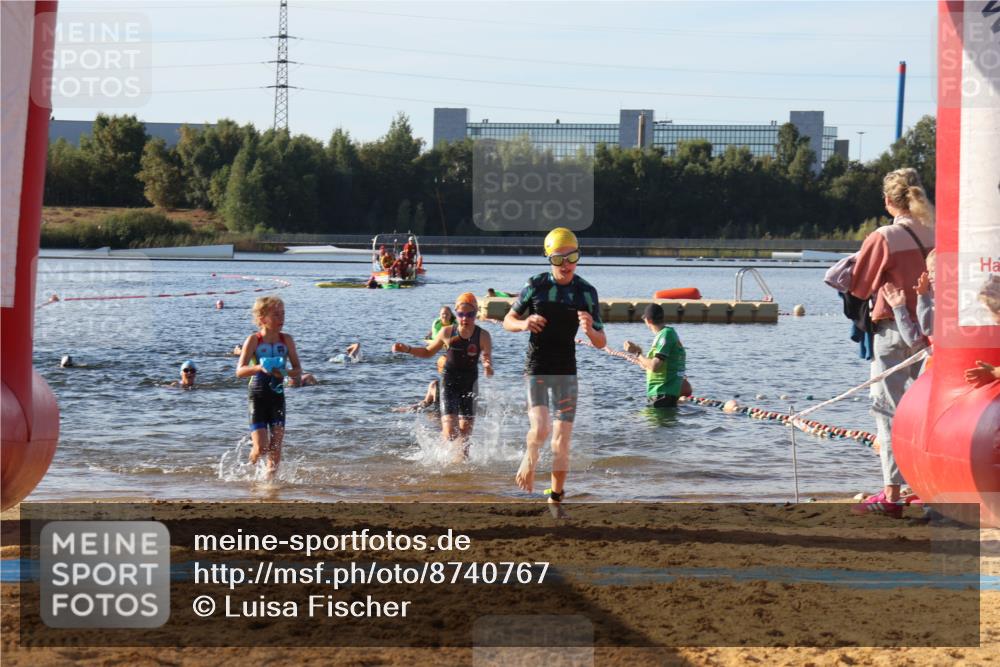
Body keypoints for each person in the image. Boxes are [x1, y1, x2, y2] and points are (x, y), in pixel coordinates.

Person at [849, 167, 935, 518]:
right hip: (932, 333)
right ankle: (929, 486)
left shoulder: (883, 236)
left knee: (887, 410)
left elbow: (858, 286)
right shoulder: (936, 231)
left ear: (888, 201)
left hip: (893, 330)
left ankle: (892, 494)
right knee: (926, 410)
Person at [503, 227, 606, 513]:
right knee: (541, 427)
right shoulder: (535, 285)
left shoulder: (586, 292)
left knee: (562, 442)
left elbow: (601, 342)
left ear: (578, 255)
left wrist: (589, 330)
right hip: (537, 365)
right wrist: (525, 323)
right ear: (549, 258)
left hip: (566, 370)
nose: (566, 265)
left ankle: (555, 498)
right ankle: (531, 455)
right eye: (559, 259)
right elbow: (507, 321)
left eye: (571, 257)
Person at [393, 293, 493, 459]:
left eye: (470, 314)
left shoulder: (483, 335)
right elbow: (427, 352)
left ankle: (463, 472)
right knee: (451, 434)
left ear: (476, 314)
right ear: (456, 314)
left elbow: (487, 357)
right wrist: (407, 349)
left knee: (465, 437)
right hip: (450, 384)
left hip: (470, 385)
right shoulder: (447, 332)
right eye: (461, 315)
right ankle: (439, 455)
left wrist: (488, 366)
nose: (465, 318)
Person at [236, 296, 302, 479]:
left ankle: (270, 483)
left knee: (276, 443)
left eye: (283, 314)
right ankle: (247, 472)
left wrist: (286, 373)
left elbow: (298, 369)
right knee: (261, 447)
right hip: (257, 395)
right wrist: (258, 368)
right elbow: (239, 371)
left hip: (277, 395)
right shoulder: (253, 340)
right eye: (276, 314)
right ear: (262, 318)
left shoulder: (286, 340)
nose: (282, 319)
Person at [623, 303, 689, 408]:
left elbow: (654, 366)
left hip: (662, 395)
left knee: (632, 421)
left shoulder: (665, 335)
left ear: (648, 320)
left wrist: (637, 353)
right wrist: (639, 355)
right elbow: (650, 366)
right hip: (663, 395)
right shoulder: (667, 334)